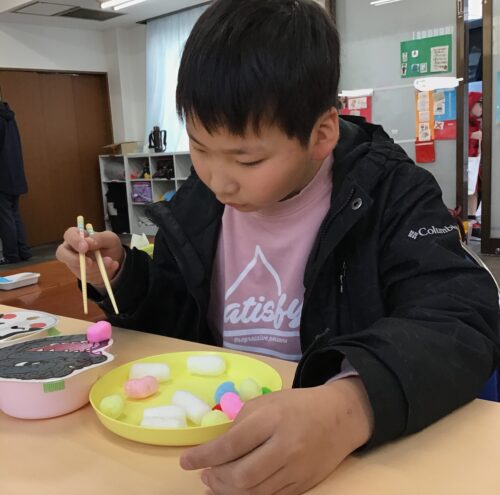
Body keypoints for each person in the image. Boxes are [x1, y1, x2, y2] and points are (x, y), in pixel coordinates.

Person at [57, 1, 500, 493]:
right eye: (200, 148)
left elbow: (460, 318)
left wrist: (352, 405)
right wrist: (122, 277)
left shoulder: (391, 194)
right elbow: (176, 324)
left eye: (246, 160)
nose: (218, 180)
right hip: (210, 435)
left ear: (321, 134)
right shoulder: (199, 205)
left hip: (348, 453)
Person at [0, 100, 32, 264]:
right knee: (14, 215)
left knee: (5, 217)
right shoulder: (9, 117)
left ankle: (11, 255)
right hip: (15, 174)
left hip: (2, 176)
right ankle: (24, 252)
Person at [467, 91, 483, 239]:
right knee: (469, 189)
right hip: (468, 163)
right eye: (480, 104)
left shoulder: (479, 124)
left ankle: (472, 218)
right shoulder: (465, 125)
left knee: (474, 190)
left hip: (476, 164)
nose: (482, 109)